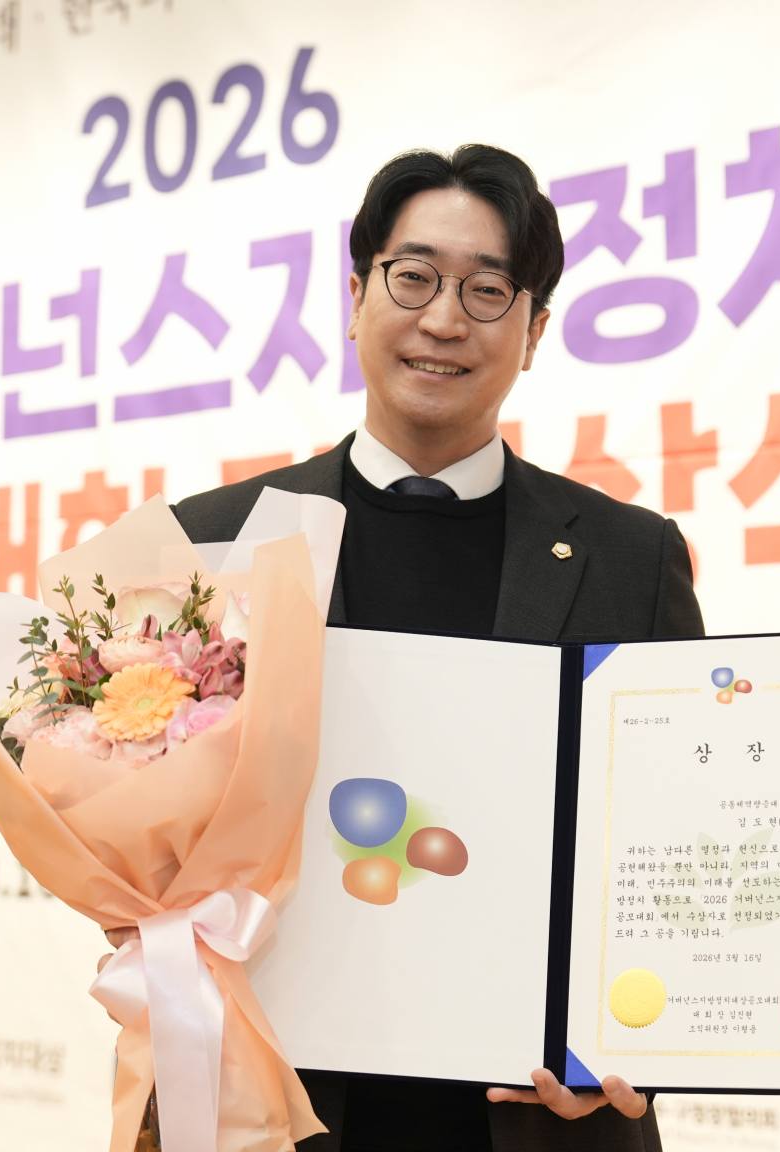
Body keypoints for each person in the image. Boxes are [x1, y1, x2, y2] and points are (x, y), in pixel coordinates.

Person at [173, 144, 703, 1151]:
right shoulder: (211, 545)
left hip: (541, 1118)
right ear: (355, 297)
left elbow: (680, 838)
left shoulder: (630, 558)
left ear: (534, 330)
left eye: (487, 290)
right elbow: (151, 840)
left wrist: (639, 1043)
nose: (444, 319)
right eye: (412, 276)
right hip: (276, 1103)